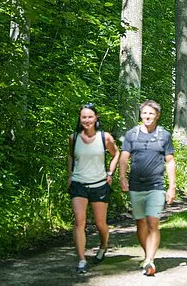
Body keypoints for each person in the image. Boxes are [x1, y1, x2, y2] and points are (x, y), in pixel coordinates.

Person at [119, 99, 176, 277]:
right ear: (140, 115)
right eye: (144, 113)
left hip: (156, 186)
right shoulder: (132, 135)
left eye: (151, 113)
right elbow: (124, 157)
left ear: (157, 115)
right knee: (140, 223)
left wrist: (172, 187)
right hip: (136, 185)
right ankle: (147, 256)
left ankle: (150, 260)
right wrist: (122, 177)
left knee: (153, 222)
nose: (147, 116)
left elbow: (170, 161)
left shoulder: (164, 135)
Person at [68, 103, 120, 274]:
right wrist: (70, 175)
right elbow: (70, 156)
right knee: (79, 221)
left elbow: (116, 154)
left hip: (99, 185)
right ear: (80, 118)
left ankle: (104, 245)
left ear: (96, 118)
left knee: (100, 223)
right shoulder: (73, 137)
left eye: (90, 117)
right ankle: (82, 259)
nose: (87, 120)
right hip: (79, 184)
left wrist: (110, 172)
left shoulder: (105, 137)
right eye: (84, 117)